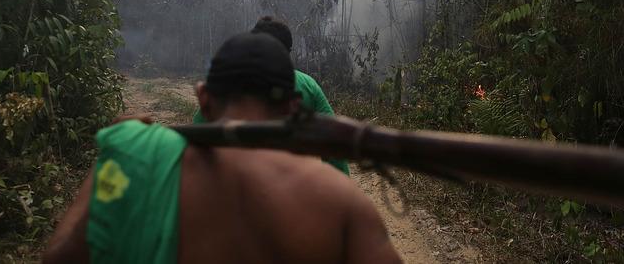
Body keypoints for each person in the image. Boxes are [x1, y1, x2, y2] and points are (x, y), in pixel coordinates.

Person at [43, 32, 400, 264]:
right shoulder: (339, 204)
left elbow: (58, 258)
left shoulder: (133, 152)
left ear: (203, 99)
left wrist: (116, 151)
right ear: (293, 106)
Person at [192, 15, 350, 176]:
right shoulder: (308, 86)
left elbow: (196, 140)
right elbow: (333, 147)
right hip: (287, 184)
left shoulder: (229, 81)